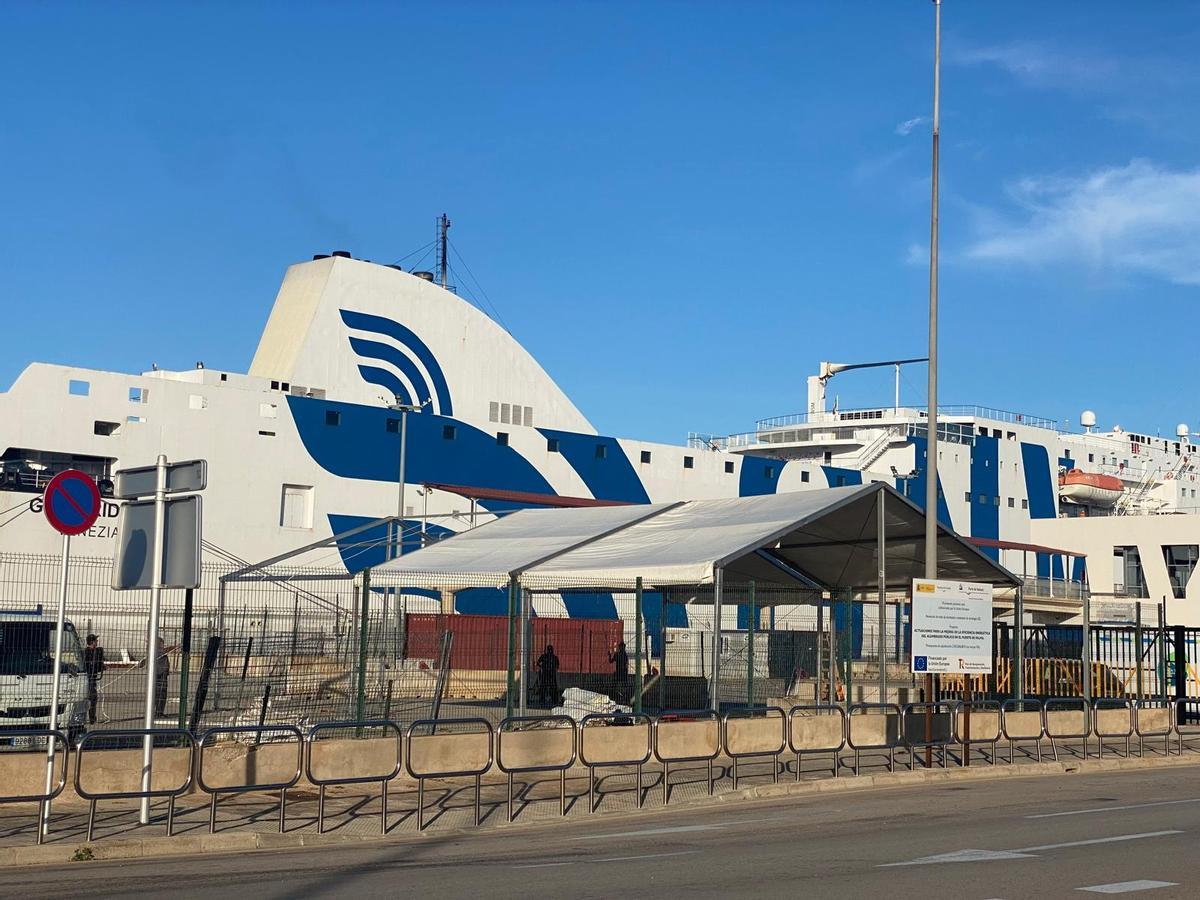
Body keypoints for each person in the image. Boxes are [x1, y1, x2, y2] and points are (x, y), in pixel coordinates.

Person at [83, 634, 105, 725]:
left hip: (93, 677)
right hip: (88, 677)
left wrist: (102, 666)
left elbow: (98, 665)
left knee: (92, 698)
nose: (97, 642)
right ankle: (90, 718)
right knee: (91, 698)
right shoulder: (86, 653)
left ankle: (92, 718)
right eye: (96, 640)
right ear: (92, 642)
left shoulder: (97, 652)